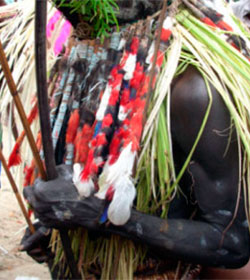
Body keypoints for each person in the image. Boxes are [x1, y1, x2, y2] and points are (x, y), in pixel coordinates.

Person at [21, 0, 250, 279]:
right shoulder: (79, 61)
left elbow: (231, 244)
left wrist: (103, 217)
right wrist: (55, 224)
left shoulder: (192, 90)